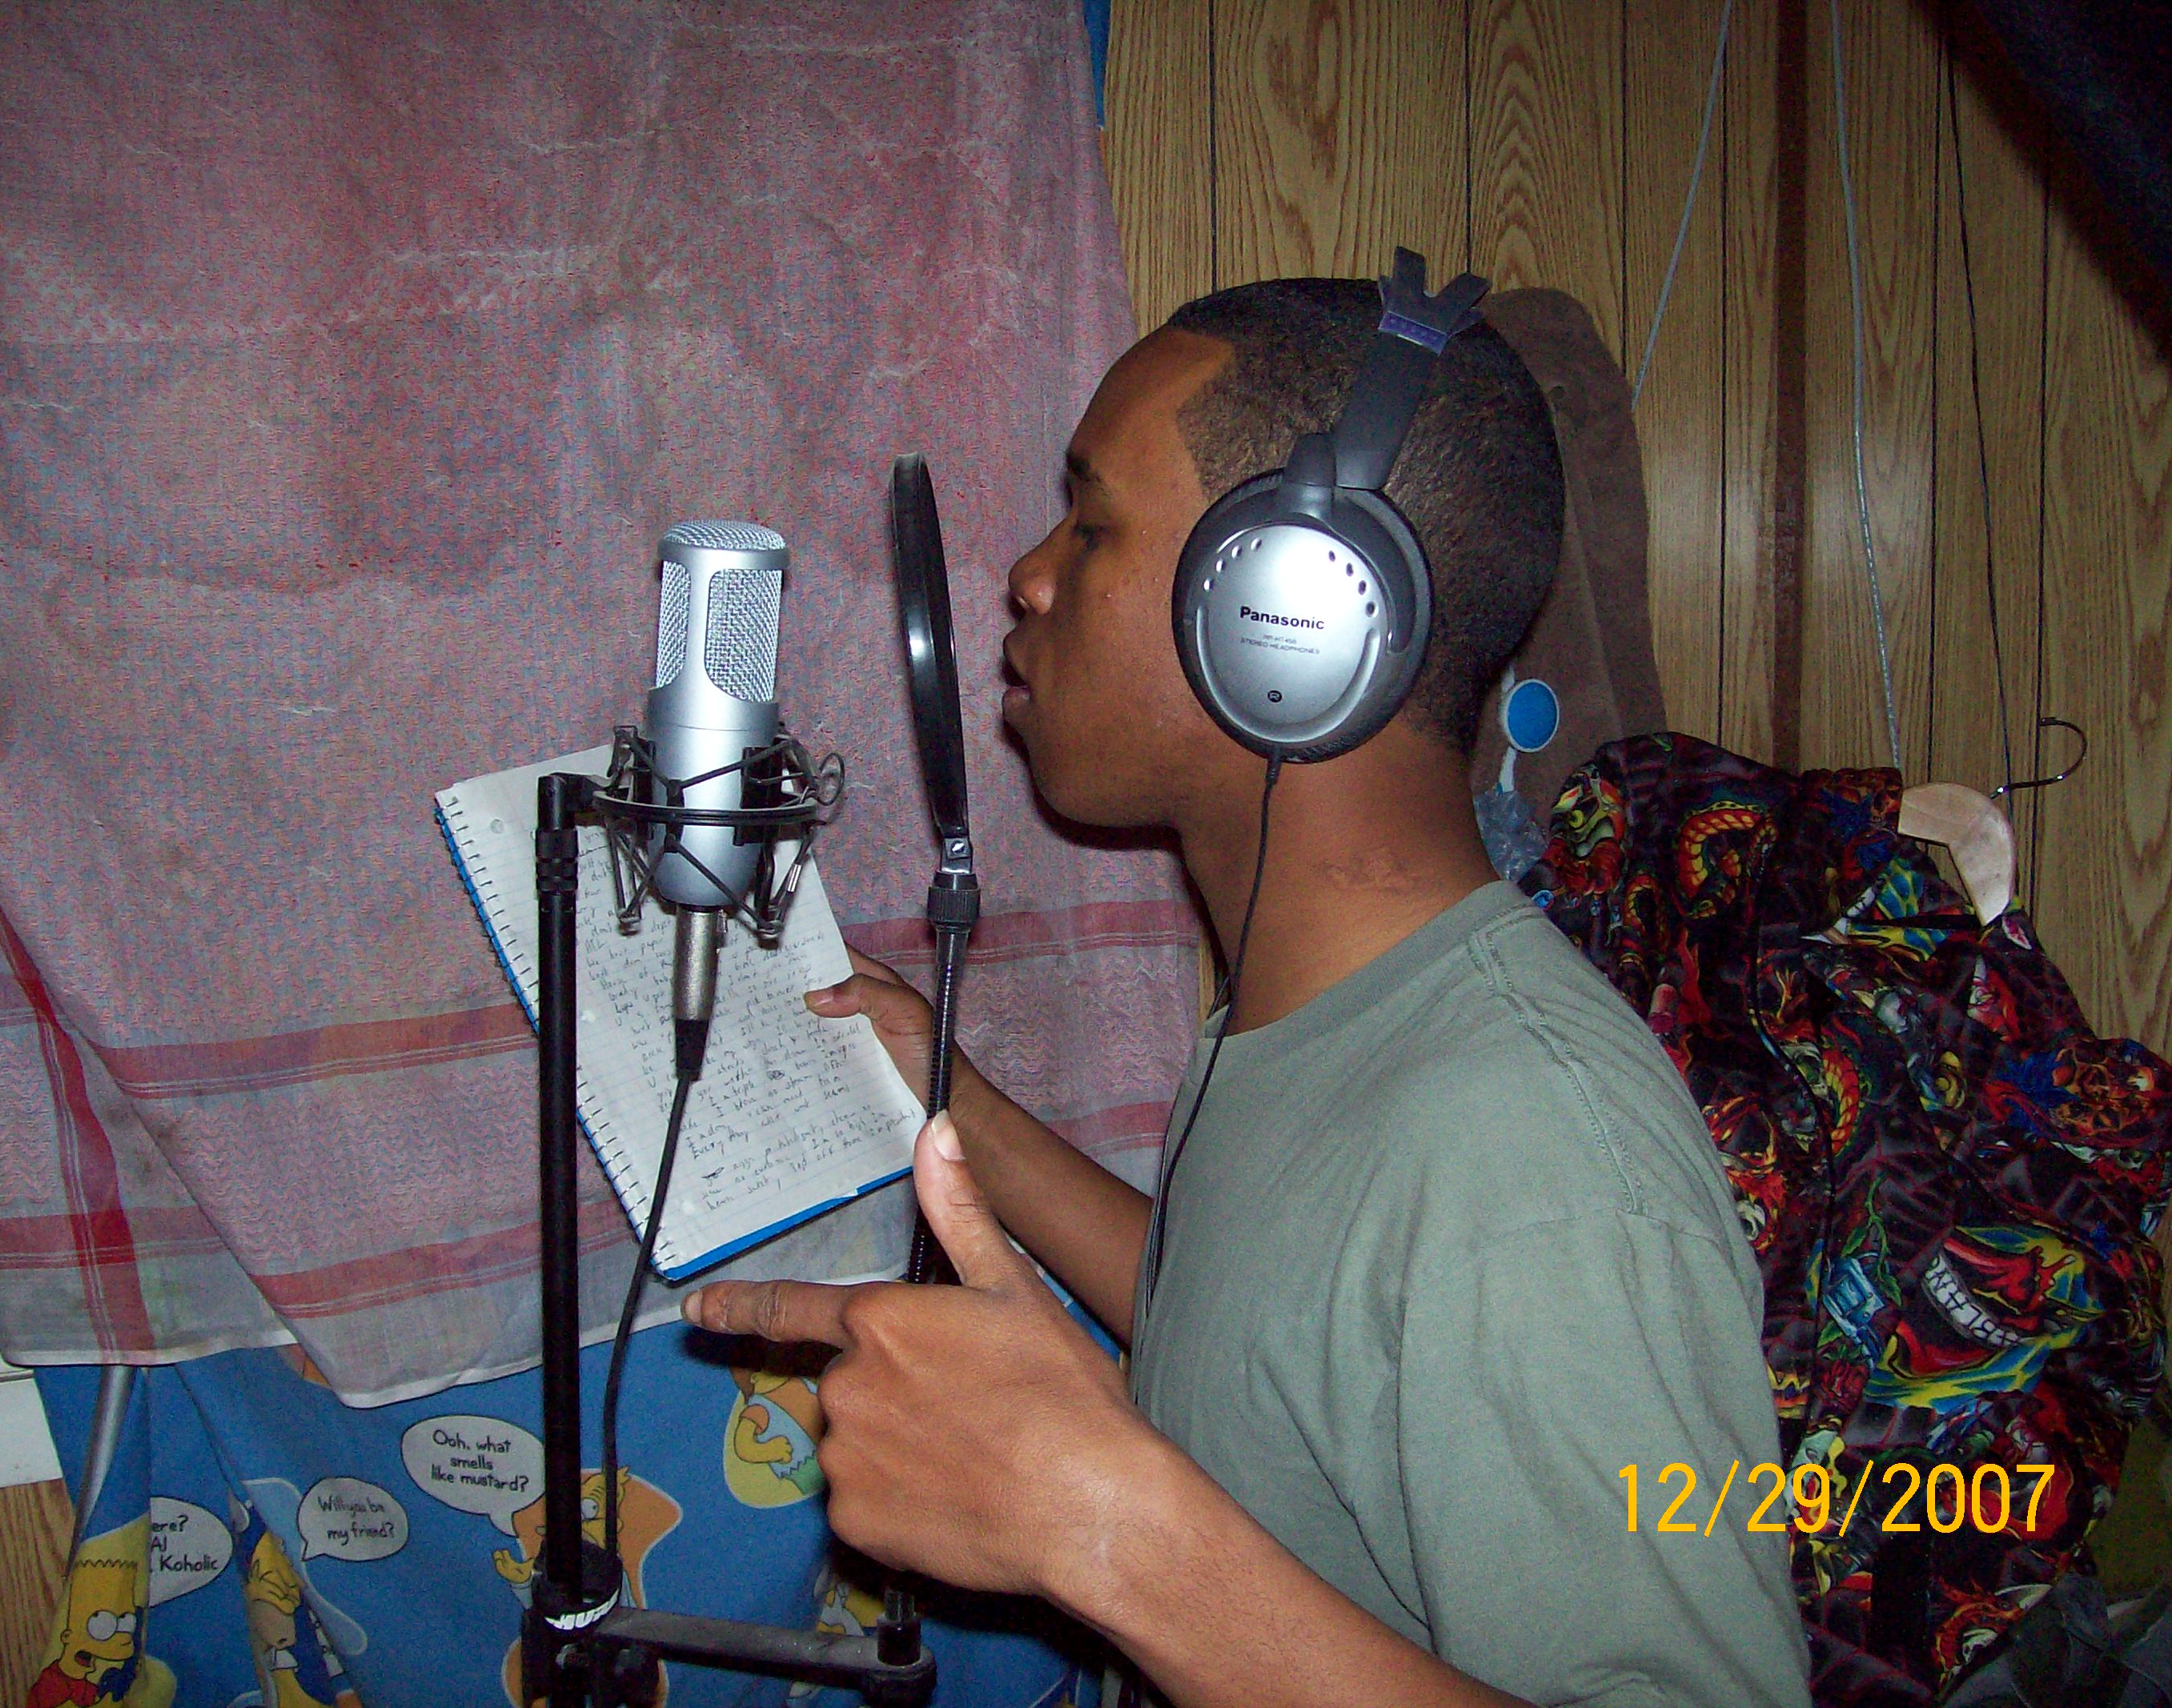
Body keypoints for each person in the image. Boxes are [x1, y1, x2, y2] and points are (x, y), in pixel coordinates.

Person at [684, 274, 1812, 1707]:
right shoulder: (1318, 1021)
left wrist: (1106, 1531)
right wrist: (951, 1090)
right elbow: (1273, 1342)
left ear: (1291, 610)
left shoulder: (1536, 1157)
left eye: (1092, 524)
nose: (1028, 575)